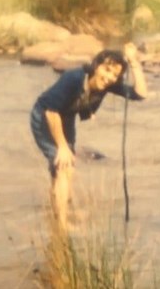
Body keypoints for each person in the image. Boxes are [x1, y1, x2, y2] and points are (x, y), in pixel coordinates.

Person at [30, 43, 148, 231]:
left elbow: (141, 94)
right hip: (45, 116)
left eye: (114, 75)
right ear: (96, 65)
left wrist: (134, 62)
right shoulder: (73, 78)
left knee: (64, 168)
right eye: (106, 69)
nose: (109, 77)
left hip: (66, 117)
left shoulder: (107, 85)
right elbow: (51, 111)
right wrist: (61, 146)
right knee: (64, 165)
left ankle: (57, 213)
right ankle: (60, 228)